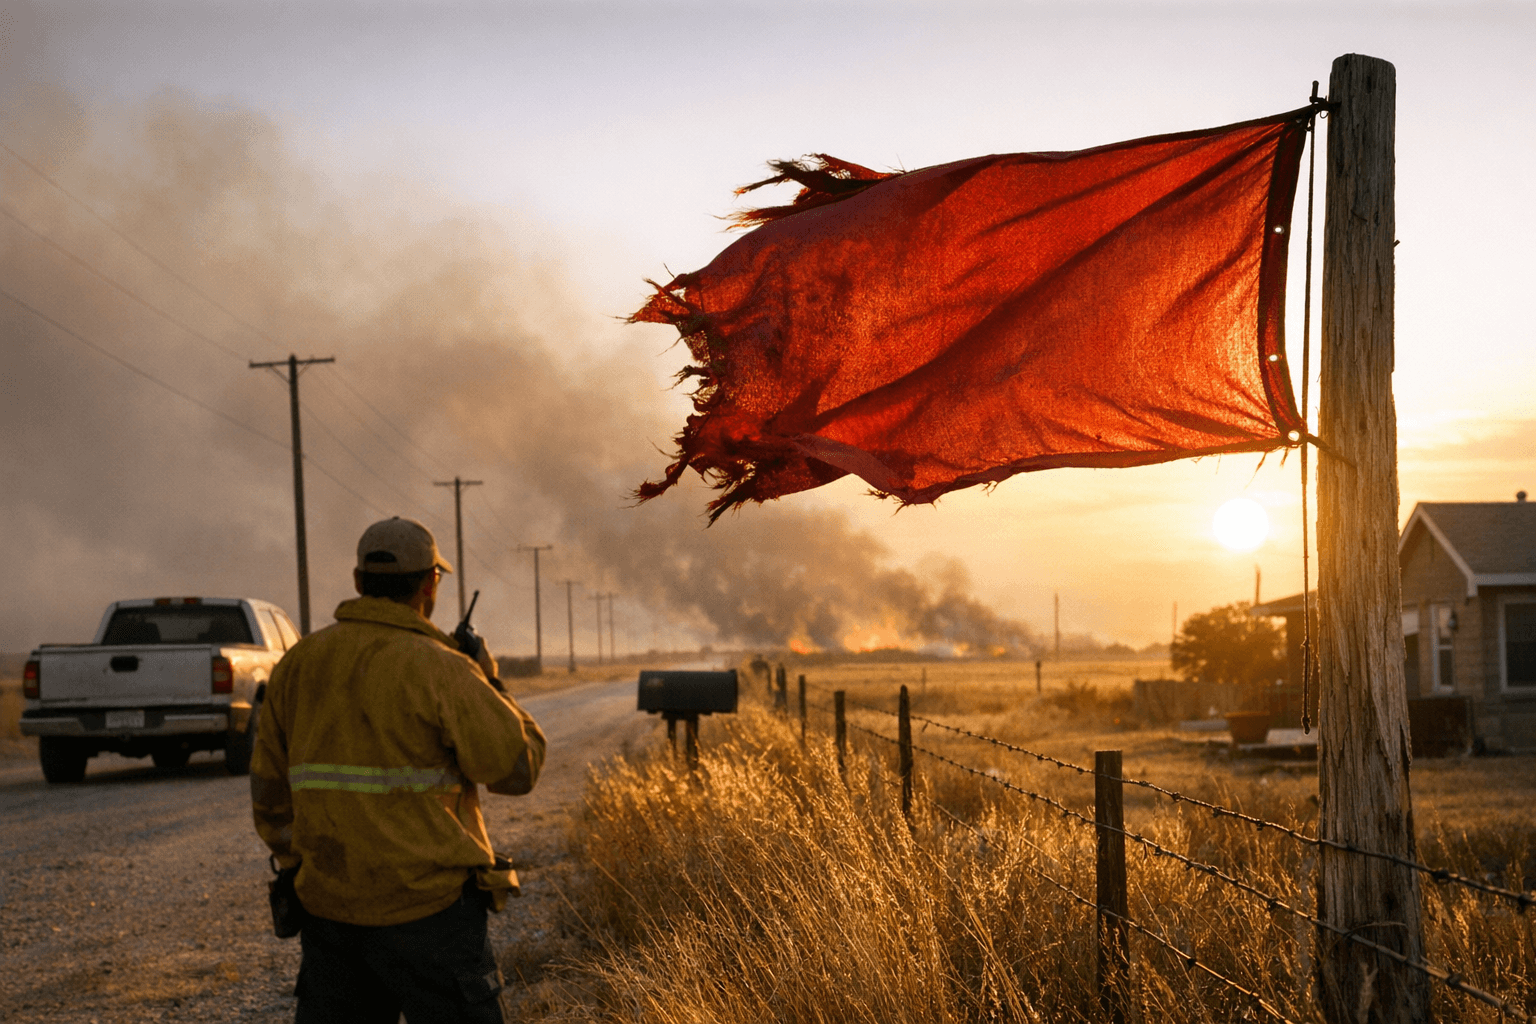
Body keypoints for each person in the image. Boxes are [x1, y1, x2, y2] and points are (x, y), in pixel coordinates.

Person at [251, 516, 546, 1024]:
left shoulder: (297, 664)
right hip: (431, 917)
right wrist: (490, 679)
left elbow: (270, 793)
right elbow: (516, 769)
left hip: (329, 914)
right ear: (430, 585)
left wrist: (303, 867)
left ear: (359, 582)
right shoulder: (443, 668)